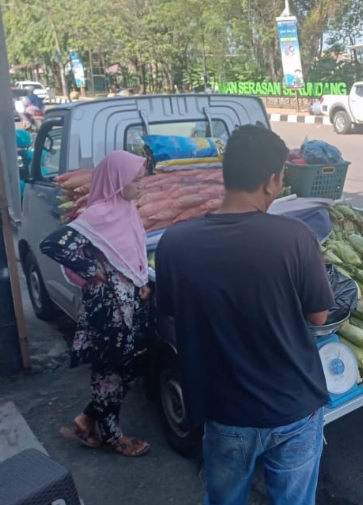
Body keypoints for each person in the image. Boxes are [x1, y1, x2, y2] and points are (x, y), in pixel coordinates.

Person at [154, 124, 334, 505]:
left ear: (226, 173)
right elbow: (319, 316)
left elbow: (170, 313)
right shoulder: (295, 237)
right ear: (272, 181)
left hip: (224, 411)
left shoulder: (175, 243)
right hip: (292, 408)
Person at [40, 151, 153, 457]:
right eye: (136, 180)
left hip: (128, 301)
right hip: (109, 308)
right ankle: (112, 437)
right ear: (118, 181)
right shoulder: (99, 214)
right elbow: (52, 244)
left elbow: (129, 251)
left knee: (127, 367)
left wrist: (140, 281)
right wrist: (92, 271)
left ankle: (87, 419)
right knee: (108, 371)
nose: (141, 186)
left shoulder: (124, 209)